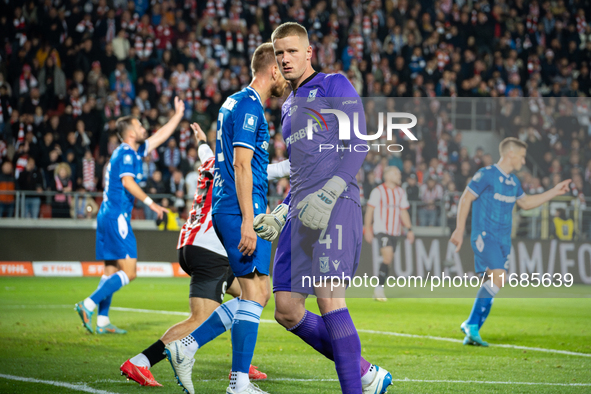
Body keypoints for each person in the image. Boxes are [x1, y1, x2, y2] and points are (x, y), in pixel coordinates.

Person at [262, 22, 393, 394]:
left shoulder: (335, 85)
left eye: (291, 51)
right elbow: (301, 172)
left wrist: (330, 192)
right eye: (279, 52)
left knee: (328, 296)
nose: (285, 58)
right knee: (286, 308)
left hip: (336, 204)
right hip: (300, 210)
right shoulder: (287, 106)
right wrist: (281, 210)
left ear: (308, 53)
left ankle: (354, 388)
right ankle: (366, 372)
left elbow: (358, 144)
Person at [164, 43, 288, 394]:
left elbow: (245, 163)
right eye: (283, 68)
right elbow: (240, 163)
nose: (286, 77)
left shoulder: (232, 102)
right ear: (272, 70)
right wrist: (250, 219)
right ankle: (235, 381)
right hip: (238, 209)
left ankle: (190, 350)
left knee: (259, 292)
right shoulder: (250, 107)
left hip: (231, 206)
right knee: (255, 291)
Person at [120, 123, 281, 386]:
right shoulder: (238, 164)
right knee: (200, 320)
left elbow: (205, 151)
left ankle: (240, 364)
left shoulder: (213, 159)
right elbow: (278, 170)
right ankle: (142, 361)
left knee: (255, 295)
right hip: (211, 248)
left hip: (193, 241)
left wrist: (201, 140)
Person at [74, 97, 184, 334]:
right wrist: (152, 204)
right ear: (131, 132)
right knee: (130, 271)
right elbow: (127, 182)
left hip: (106, 215)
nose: (145, 129)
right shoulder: (126, 153)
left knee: (111, 270)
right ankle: (88, 304)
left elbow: (160, 136)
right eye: (140, 126)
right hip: (116, 216)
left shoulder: (133, 150)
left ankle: (102, 321)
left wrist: (177, 115)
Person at [450, 137, 571, 346]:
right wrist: (460, 230)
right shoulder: (486, 174)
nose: (524, 162)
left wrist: (554, 191)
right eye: (522, 157)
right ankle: (471, 324)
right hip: (484, 236)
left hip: (503, 240)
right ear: (511, 154)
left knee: (494, 282)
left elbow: (526, 203)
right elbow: (466, 198)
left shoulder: (514, 182)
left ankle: (472, 329)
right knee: (499, 277)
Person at [364, 166, 415, 302]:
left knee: (388, 260)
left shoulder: (400, 192)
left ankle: (379, 288)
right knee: (387, 256)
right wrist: (367, 228)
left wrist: (409, 229)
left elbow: (403, 212)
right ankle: (379, 289)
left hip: (395, 231)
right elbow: (370, 210)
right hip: (382, 229)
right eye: (396, 173)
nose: (399, 176)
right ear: (387, 176)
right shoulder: (378, 191)